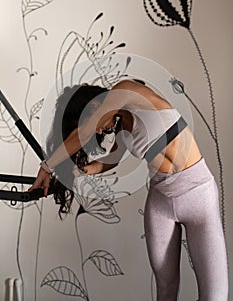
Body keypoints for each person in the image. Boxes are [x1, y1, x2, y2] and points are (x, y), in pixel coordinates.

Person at [29, 79, 228, 301]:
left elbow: (84, 132)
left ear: (93, 107)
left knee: (215, 296)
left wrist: (47, 167)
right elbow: (108, 162)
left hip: (198, 195)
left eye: (94, 123)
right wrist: (73, 173)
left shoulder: (126, 90)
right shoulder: (122, 126)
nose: (100, 130)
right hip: (160, 201)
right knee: (166, 289)